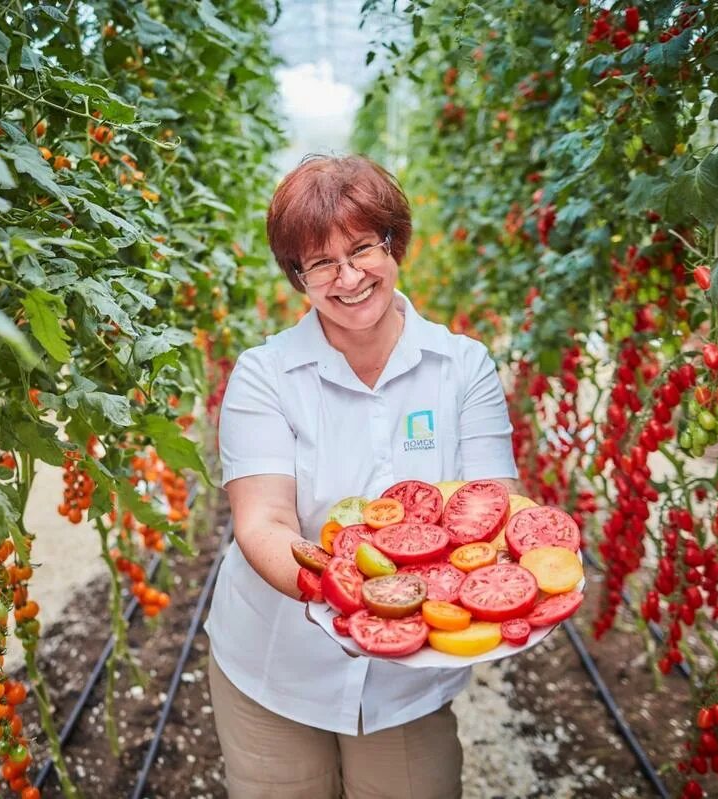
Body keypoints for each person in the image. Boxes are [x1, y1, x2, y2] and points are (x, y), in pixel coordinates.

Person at [204, 154, 519, 799]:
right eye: (319, 263)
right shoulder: (266, 376)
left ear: (394, 242)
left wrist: (436, 613)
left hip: (408, 676)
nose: (347, 277)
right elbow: (264, 520)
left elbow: (491, 507)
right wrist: (351, 598)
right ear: (297, 275)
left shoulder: (462, 368)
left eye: (363, 249)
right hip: (275, 664)